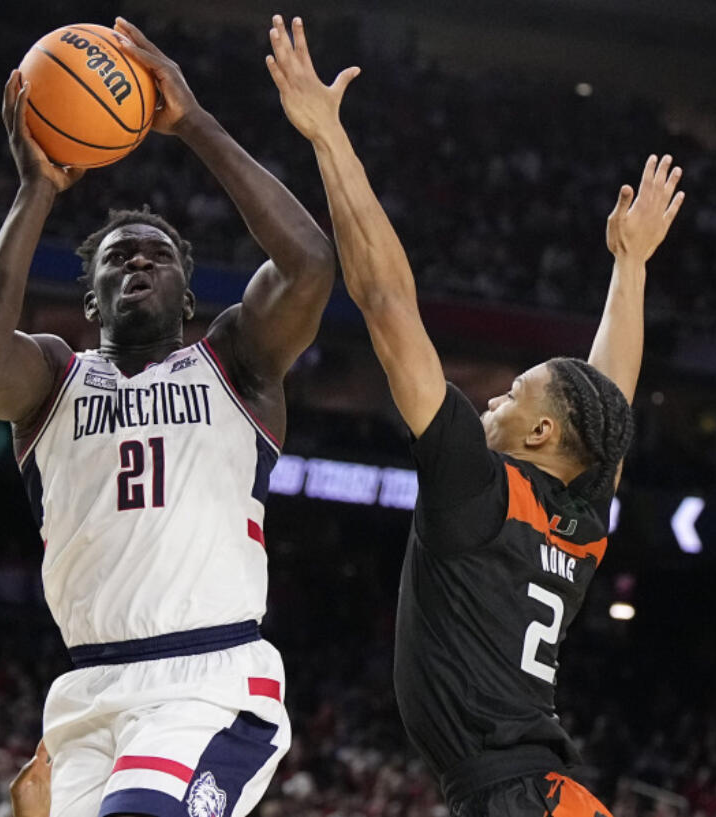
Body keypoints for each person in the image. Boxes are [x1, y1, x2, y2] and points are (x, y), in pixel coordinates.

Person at [265, 14, 684, 817]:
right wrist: (627, 268)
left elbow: (388, 302)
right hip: (548, 795)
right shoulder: (578, 512)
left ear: (541, 435)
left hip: (520, 799)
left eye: (513, 391)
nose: (493, 397)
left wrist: (328, 139)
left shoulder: (480, 490)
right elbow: (612, 404)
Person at [0, 16, 337, 817]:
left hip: (209, 677)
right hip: (89, 691)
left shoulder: (235, 363)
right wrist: (37, 190)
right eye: (117, 256)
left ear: (188, 297)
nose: (137, 261)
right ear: (90, 297)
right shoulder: (55, 378)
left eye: (155, 255)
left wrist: (192, 122)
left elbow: (309, 266)